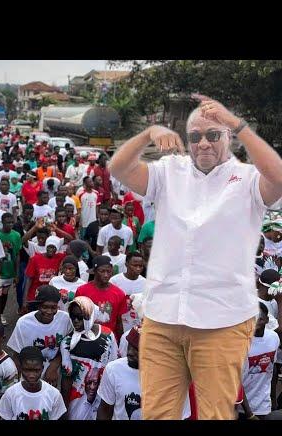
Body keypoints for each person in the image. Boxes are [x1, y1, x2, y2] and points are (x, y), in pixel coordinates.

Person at [109, 95, 282, 419]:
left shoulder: (245, 180)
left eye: (213, 135)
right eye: (195, 136)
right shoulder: (169, 174)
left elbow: (279, 178)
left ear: (228, 138)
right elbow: (119, 167)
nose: (203, 143)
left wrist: (237, 124)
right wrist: (148, 134)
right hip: (165, 318)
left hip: (219, 321)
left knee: (215, 411)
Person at [97, 325, 191, 420]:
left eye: (137, 349)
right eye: (130, 345)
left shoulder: (174, 378)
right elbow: (105, 411)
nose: (130, 352)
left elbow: (183, 416)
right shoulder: (113, 370)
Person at [59, 296, 118, 420]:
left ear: (90, 315)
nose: (75, 321)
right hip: (76, 403)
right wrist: (64, 409)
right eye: (73, 316)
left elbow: (113, 367)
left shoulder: (108, 336)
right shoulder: (67, 343)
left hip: (103, 398)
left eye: (80, 317)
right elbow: (66, 380)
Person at [7, 285, 71, 388]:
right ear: (38, 306)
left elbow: (68, 345)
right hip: (29, 374)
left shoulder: (65, 319)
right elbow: (17, 355)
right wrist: (17, 383)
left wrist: (54, 366)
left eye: (53, 307)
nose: (49, 311)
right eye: (45, 307)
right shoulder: (23, 323)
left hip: (53, 374)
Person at [0, 346, 67, 421]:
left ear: (42, 368)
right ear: (21, 368)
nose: (31, 375)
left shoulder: (54, 395)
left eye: (36, 370)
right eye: (27, 370)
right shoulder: (11, 394)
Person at [238, 302, 280, 419]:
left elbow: (272, 369)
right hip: (241, 408)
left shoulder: (273, 338)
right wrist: (249, 413)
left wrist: (273, 399)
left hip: (264, 406)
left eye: (259, 318)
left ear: (266, 320)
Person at [0, 213, 21, 325]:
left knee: (4, 294)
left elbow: (17, 255)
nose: (10, 225)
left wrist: (17, 274)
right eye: (7, 222)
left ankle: (1, 313)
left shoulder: (16, 235)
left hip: (9, 270)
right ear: (2, 223)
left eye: (11, 222)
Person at [110, 252, 146, 333]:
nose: (138, 268)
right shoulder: (114, 281)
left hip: (137, 327)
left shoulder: (145, 283)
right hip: (118, 325)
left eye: (140, 266)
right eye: (135, 265)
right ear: (126, 264)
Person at [23, 239, 66, 305]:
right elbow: (29, 280)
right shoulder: (35, 259)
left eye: (54, 247)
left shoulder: (60, 257)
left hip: (51, 296)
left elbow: (72, 245)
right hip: (35, 295)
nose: (51, 250)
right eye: (49, 247)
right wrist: (25, 299)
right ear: (46, 247)